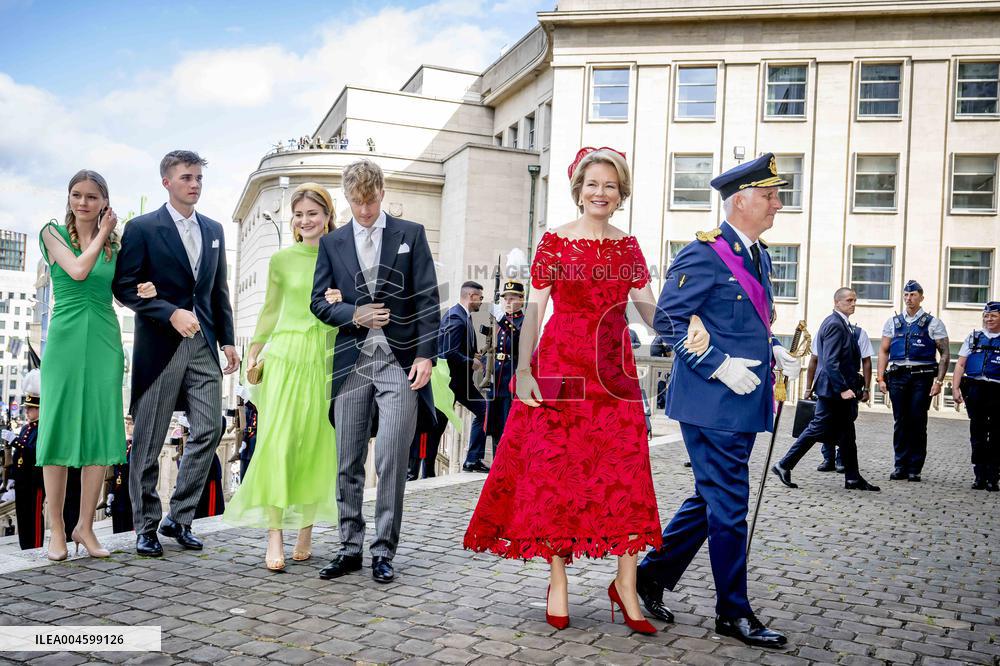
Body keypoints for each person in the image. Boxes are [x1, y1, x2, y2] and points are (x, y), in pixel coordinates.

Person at [464, 147, 708, 635]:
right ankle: (558, 581)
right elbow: (535, 309)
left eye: (610, 186)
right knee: (558, 474)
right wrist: (525, 370)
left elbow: (647, 310)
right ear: (579, 188)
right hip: (559, 365)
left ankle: (626, 583)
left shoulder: (628, 247)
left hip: (613, 370)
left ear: (621, 194)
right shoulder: (554, 241)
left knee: (625, 472)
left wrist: (688, 326)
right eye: (592, 184)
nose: (601, 192)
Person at [636, 153, 798, 648]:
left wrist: (772, 347)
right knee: (730, 506)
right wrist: (719, 364)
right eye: (769, 195)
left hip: (743, 400)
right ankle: (733, 611)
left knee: (712, 497)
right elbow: (667, 320)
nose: (777, 203)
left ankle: (652, 574)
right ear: (741, 200)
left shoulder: (760, 254)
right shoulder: (704, 253)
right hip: (713, 401)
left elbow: (751, 319)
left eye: (776, 194)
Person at [310, 159, 440, 584]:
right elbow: (319, 303)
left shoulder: (412, 235)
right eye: (356, 203)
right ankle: (349, 547)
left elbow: (427, 301)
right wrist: (354, 313)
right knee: (347, 459)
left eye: (370, 201)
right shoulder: (333, 243)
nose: (364, 211)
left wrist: (425, 356)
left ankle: (384, 550)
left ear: (382, 193)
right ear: (347, 199)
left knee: (390, 459)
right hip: (351, 365)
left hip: (400, 365)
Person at [112, 150, 239, 557]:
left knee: (209, 429)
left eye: (199, 177)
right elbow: (125, 287)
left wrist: (228, 340)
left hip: (204, 346)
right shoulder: (143, 228)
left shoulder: (215, 229)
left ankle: (179, 517)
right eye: (186, 177)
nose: (195, 184)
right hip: (161, 349)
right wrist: (169, 312)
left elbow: (218, 292)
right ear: (166, 181)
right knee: (148, 443)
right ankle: (145, 526)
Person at [38, 170, 157, 560]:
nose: (83, 203)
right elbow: (77, 271)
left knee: (97, 431)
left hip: (105, 339)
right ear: (69, 197)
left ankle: (84, 526)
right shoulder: (51, 233)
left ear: (103, 200)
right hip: (66, 339)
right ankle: (56, 528)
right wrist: (105, 232)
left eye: (91, 196)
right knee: (57, 429)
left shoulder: (115, 247)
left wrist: (144, 290)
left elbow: (121, 295)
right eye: (77, 195)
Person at [225, 183, 339, 571]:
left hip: (325, 358)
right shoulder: (281, 261)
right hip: (287, 357)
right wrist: (255, 350)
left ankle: (305, 530)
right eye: (299, 214)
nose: (305, 220)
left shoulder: (341, 257)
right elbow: (270, 311)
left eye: (313, 213)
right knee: (279, 443)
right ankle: (274, 534)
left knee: (316, 444)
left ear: (327, 216)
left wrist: (345, 301)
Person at [771, 288, 881, 491]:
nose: (853, 304)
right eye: (849, 300)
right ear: (837, 302)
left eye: (855, 300)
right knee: (816, 429)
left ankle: (853, 477)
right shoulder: (834, 324)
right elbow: (829, 361)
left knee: (848, 435)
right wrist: (842, 389)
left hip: (836, 390)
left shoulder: (843, 324)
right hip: (832, 391)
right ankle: (784, 464)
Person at [877, 280, 950, 482]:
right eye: (906, 295)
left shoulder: (933, 323)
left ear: (921, 297)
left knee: (917, 421)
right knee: (900, 421)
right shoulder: (893, 322)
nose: (909, 299)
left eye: (913, 295)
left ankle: (914, 467)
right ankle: (900, 465)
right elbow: (883, 351)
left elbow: (944, 354)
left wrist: (939, 381)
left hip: (922, 376)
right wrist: (880, 377)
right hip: (898, 376)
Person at [9, 370, 82, 550]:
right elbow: (17, 457)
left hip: (36, 478)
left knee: (33, 514)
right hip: (23, 478)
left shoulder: (43, 428)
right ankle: (26, 546)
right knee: (23, 513)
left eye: (30, 408)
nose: (27, 411)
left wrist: (16, 442)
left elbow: (36, 452)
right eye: (26, 408)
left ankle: (34, 546)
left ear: (40, 408)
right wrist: (11, 477)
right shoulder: (27, 428)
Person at [805, 326, 873, 473]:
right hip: (826, 386)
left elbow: (866, 362)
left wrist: (867, 389)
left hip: (849, 385)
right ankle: (828, 458)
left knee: (846, 422)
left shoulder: (860, 334)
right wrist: (808, 388)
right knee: (825, 422)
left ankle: (842, 458)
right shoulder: (823, 330)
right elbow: (814, 360)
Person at [440, 281, 490, 472]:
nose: (481, 302)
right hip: (454, 382)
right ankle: (472, 459)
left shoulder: (462, 316)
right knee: (438, 425)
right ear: (471, 296)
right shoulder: (457, 317)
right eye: (480, 298)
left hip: (460, 382)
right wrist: (472, 362)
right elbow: (449, 351)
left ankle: (472, 459)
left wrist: (472, 355)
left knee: (483, 411)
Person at [952, 301, 1000, 491]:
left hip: (997, 390)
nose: (988, 319)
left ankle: (993, 476)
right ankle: (979, 475)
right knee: (977, 433)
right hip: (976, 389)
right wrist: (955, 388)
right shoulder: (973, 338)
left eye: (993, 316)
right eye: (986, 316)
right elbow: (960, 364)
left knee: (997, 434)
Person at [484, 280, 525, 447]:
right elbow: (492, 348)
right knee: (494, 427)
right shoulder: (500, 323)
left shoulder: (524, 321)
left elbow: (518, 338)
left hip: (511, 380)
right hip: (496, 382)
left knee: (508, 425)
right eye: (505, 298)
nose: (507, 301)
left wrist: (501, 319)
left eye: (512, 298)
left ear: (522, 299)